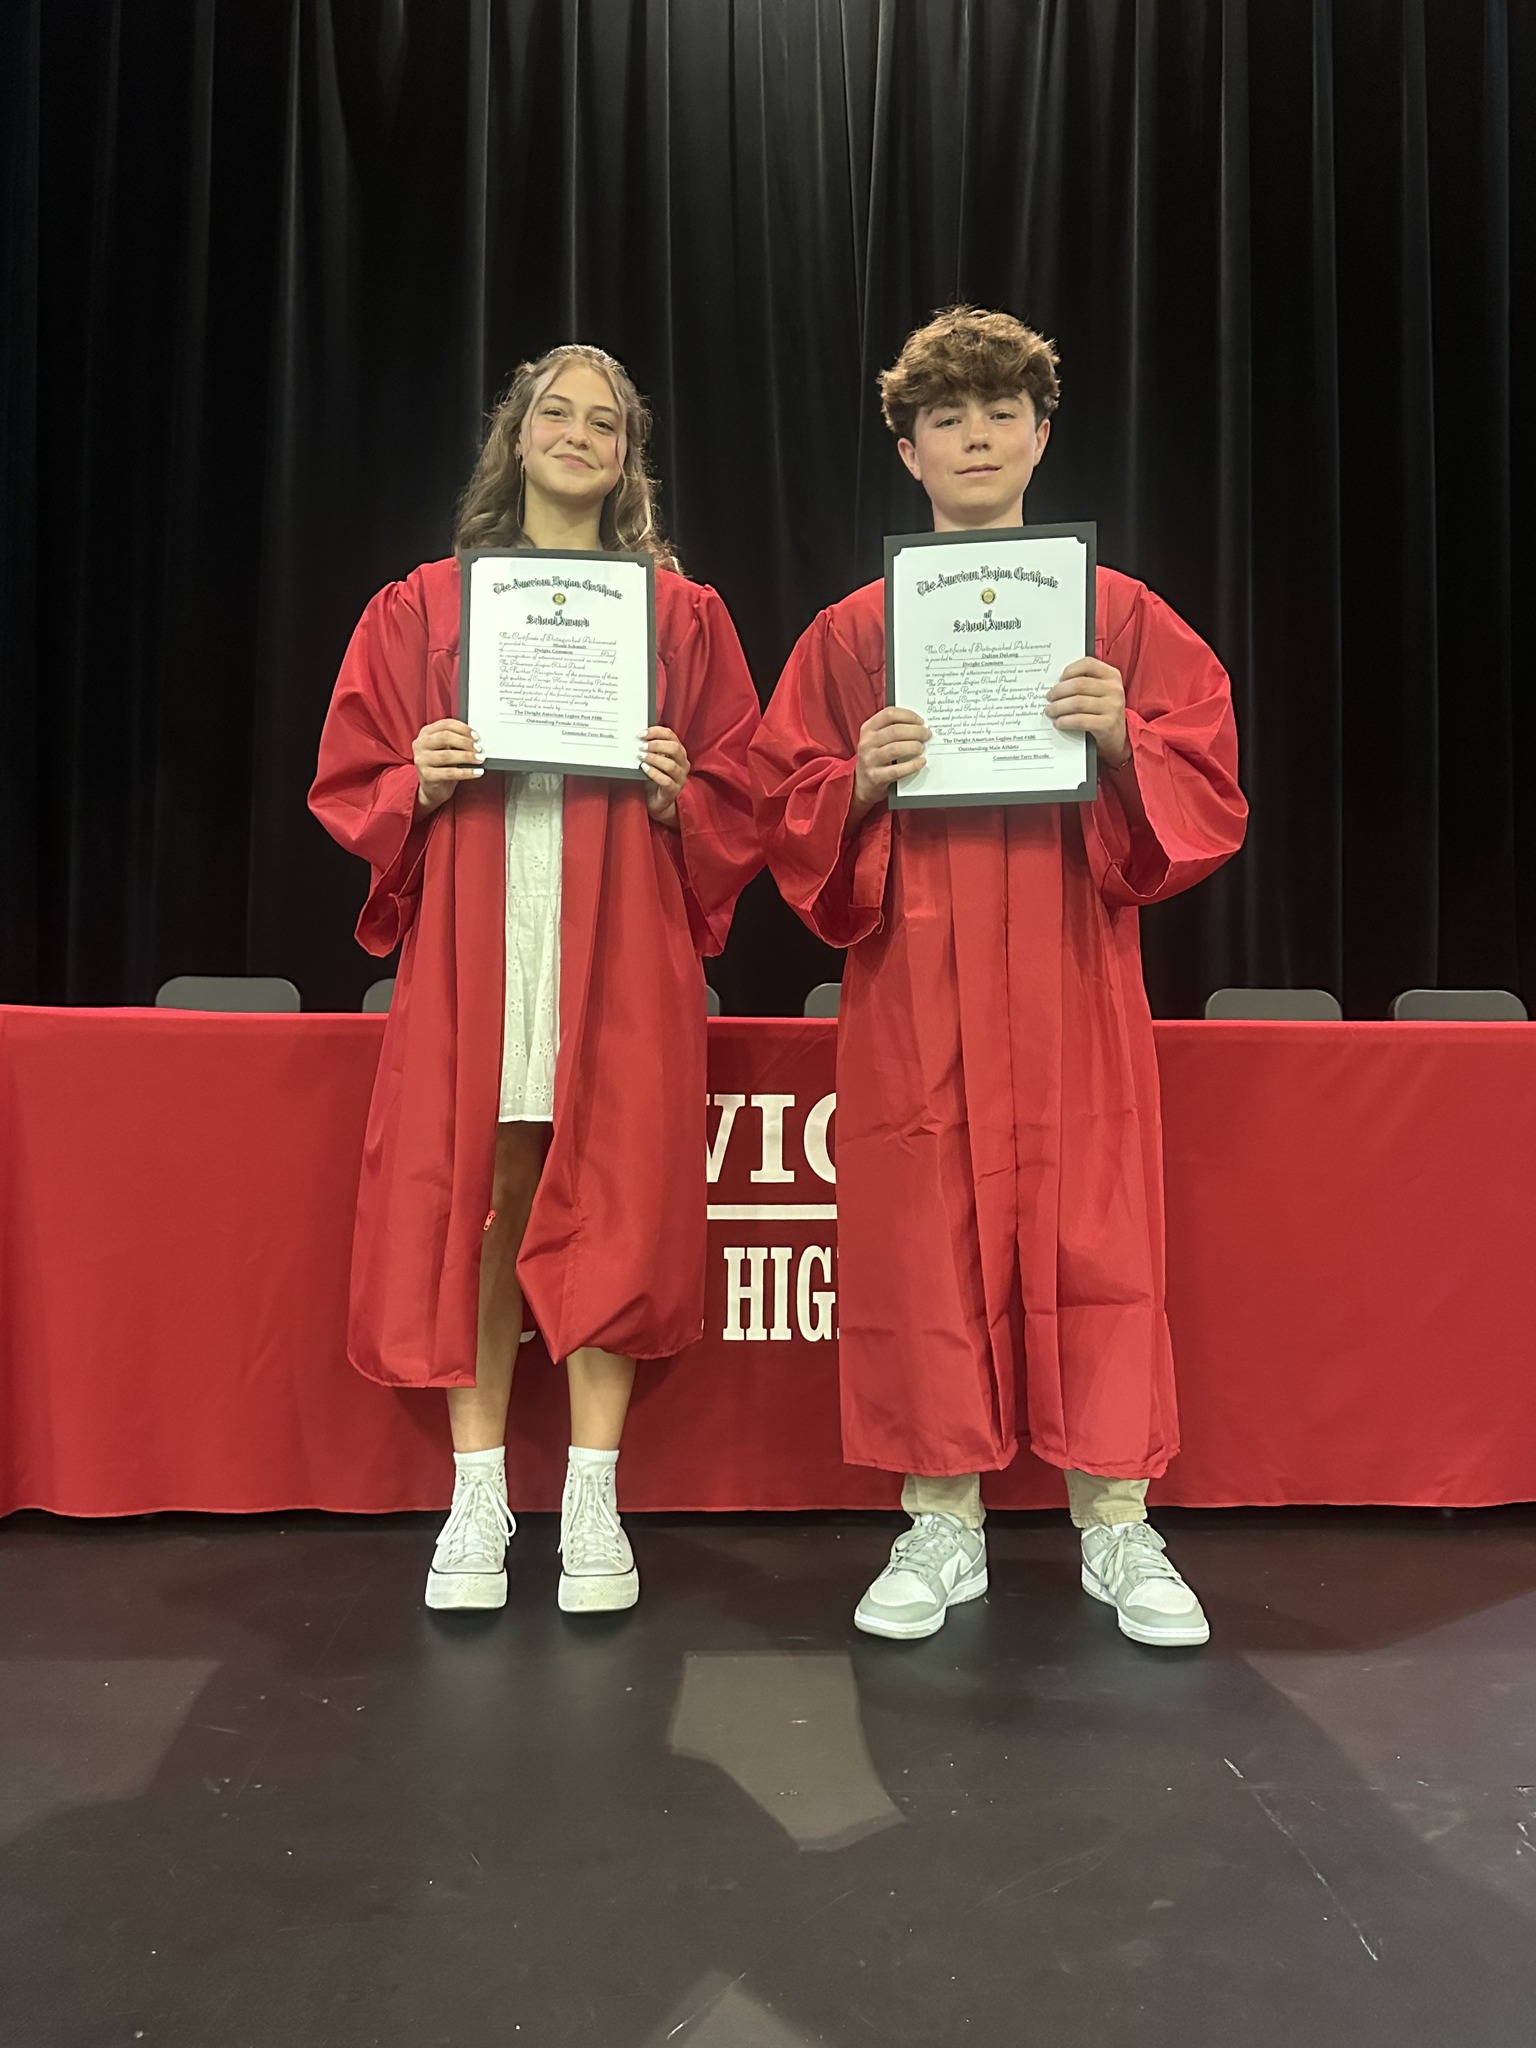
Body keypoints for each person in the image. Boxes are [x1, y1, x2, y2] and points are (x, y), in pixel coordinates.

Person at [750, 306, 1247, 1647]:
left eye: (999, 413)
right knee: (924, 1237)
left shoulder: (1118, 616)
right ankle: (941, 1517)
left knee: (1097, 1234)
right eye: (946, 418)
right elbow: (780, 797)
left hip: (1073, 969)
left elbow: (1207, 782)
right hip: (918, 979)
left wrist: (1124, 738)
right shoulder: (855, 633)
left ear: (1041, 435)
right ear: (908, 452)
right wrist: (856, 780)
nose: (975, 436)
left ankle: (1117, 1517)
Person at [311, 345, 761, 1615]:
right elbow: (352, 773)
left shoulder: (680, 616)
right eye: (555, 414)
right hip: (484, 927)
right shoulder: (424, 606)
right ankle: (479, 1490)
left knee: (610, 1190)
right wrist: (418, 775)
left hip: (618, 935)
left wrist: (682, 790)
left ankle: (595, 1491)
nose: (577, 434)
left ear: (627, 458)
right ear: (516, 438)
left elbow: (748, 784)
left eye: (603, 422)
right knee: (483, 1191)